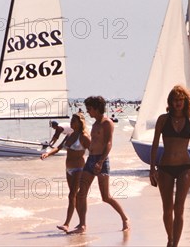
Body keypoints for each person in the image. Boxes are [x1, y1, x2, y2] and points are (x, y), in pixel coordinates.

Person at [149, 86, 190, 247]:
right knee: (167, 208)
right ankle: (170, 239)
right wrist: (152, 169)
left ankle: (175, 245)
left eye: (181, 100)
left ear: (186, 101)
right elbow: (154, 145)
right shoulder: (163, 119)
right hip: (165, 167)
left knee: (178, 208)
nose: (178, 103)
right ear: (170, 102)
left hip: (185, 168)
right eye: (175, 100)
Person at [70, 96, 129, 234]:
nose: (88, 112)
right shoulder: (95, 124)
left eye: (89, 109)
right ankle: (82, 225)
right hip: (91, 159)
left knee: (106, 197)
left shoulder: (107, 123)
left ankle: (125, 218)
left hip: (101, 161)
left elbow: (108, 143)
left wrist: (101, 161)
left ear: (96, 108)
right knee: (80, 194)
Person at [41, 113, 90, 232]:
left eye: (74, 121)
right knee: (74, 196)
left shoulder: (84, 137)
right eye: (71, 121)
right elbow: (59, 147)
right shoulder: (70, 135)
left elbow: (93, 151)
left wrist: (95, 166)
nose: (71, 123)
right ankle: (81, 224)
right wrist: (48, 153)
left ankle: (67, 223)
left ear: (80, 122)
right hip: (69, 169)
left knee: (72, 195)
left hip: (79, 169)